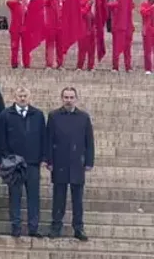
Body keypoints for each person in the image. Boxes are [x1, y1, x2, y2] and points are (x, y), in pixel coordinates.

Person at [0, 87, 47, 238]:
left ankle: (33, 227)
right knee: (15, 196)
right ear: (14, 97)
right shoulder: (5, 115)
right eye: (20, 95)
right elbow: (1, 138)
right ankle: (16, 226)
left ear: (29, 97)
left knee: (33, 196)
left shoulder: (38, 115)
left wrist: (43, 158)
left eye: (25, 95)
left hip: (32, 163)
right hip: (14, 165)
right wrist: (7, 158)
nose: (23, 98)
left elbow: (43, 137)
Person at [46, 87, 94, 241]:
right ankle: (56, 227)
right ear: (62, 98)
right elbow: (49, 139)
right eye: (66, 97)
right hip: (59, 161)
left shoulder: (84, 117)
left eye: (71, 97)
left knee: (77, 199)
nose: (68, 100)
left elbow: (89, 141)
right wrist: (49, 160)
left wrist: (89, 161)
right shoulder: (53, 116)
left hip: (77, 162)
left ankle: (78, 228)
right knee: (58, 197)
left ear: (76, 99)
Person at [106, 0, 134, 72]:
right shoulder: (112, 2)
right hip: (117, 29)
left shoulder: (126, 2)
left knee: (127, 49)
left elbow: (132, 5)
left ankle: (128, 66)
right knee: (116, 49)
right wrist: (120, 3)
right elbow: (109, 5)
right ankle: (115, 67)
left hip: (127, 28)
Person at [6, 0, 29, 68]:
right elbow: (8, 2)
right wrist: (19, 2)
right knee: (14, 47)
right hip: (14, 28)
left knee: (25, 47)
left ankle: (26, 63)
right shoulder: (14, 4)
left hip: (23, 29)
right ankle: (14, 63)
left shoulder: (25, 5)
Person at [44, 0, 63, 69]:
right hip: (50, 27)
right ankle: (49, 64)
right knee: (50, 46)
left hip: (59, 27)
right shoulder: (47, 0)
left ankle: (60, 64)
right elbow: (48, 0)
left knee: (60, 46)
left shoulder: (60, 2)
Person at [77, 0, 95, 71]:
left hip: (91, 34)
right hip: (83, 34)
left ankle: (90, 66)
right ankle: (79, 66)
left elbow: (93, 21)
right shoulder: (80, 10)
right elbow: (82, 14)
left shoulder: (90, 12)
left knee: (91, 51)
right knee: (82, 50)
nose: (90, 3)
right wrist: (88, 5)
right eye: (87, 1)